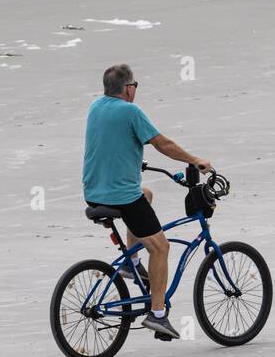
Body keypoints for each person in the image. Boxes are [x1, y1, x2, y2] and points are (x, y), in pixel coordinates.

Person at [83, 63, 211, 340]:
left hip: (94, 191)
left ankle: (131, 263)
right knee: (161, 247)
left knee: (147, 194)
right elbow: (163, 144)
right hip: (121, 197)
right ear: (128, 89)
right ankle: (158, 313)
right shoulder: (130, 111)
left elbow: (109, 142)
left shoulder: (96, 107)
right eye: (135, 86)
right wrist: (195, 160)